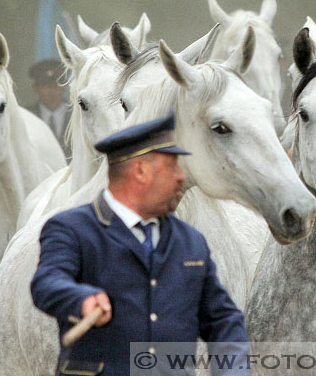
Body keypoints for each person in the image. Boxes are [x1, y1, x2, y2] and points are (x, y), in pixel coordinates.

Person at [30, 112, 248, 376]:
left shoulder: (191, 241)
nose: (181, 176)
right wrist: (81, 299)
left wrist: (233, 370)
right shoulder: (72, 228)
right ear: (141, 171)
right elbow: (46, 283)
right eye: (173, 167)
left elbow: (223, 319)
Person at [27, 58, 71, 158]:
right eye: (45, 86)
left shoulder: (78, 115)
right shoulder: (26, 116)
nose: (51, 91)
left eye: (56, 85)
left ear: (65, 86)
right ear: (35, 88)